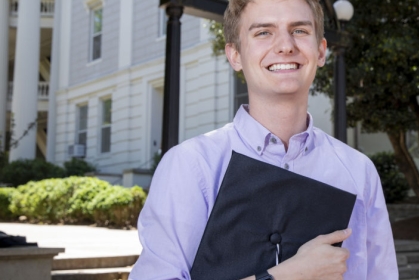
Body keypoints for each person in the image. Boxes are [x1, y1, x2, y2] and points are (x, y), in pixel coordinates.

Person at [129, 0, 398, 279]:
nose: (285, 45)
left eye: (300, 31)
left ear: (320, 51)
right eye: (263, 32)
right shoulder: (192, 166)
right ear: (235, 56)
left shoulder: (358, 170)